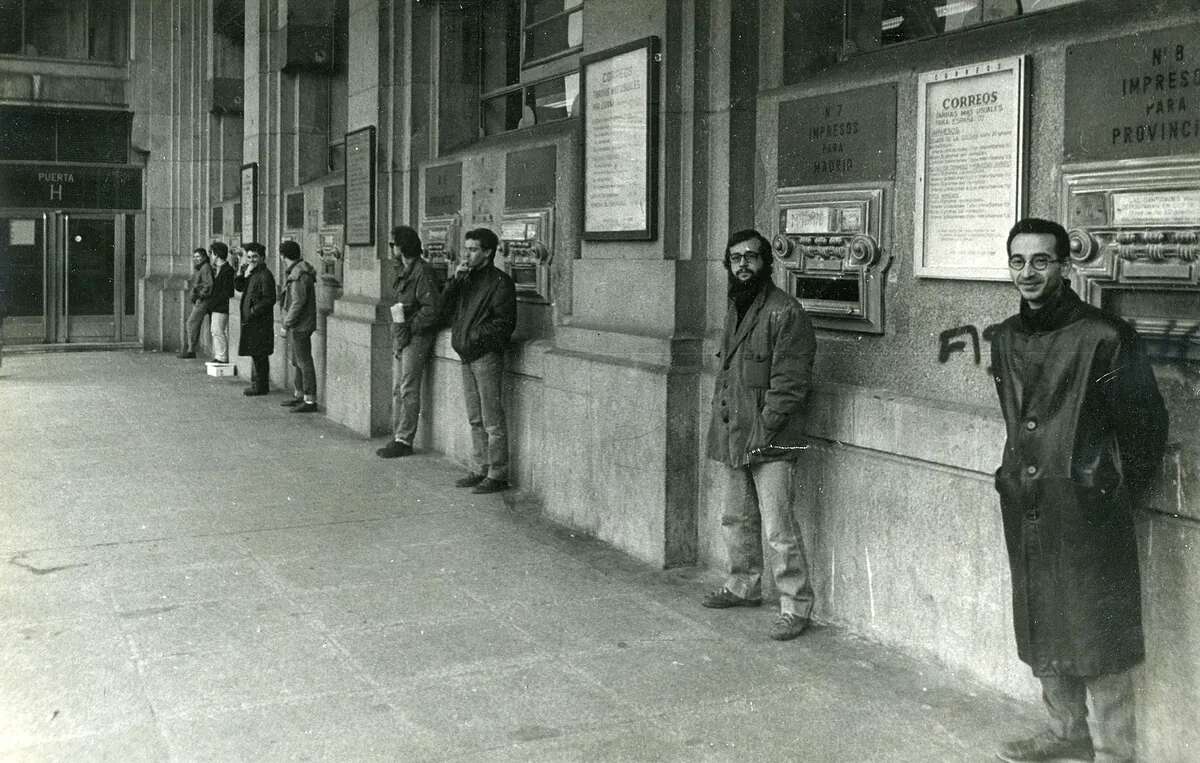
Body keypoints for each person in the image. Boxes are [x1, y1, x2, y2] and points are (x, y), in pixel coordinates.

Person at [991, 218, 1168, 763]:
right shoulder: (1003, 337)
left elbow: (1146, 426)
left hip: (1087, 506)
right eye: (1018, 261)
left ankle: (1115, 749)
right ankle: (1066, 732)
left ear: (1065, 267)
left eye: (1041, 261)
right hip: (1029, 505)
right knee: (1042, 618)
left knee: (1100, 631)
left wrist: (1108, 488)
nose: (1029, 273)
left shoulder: (1106, 337)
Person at [702, 228, 817, 642]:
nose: (743, 265)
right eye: (735, 259)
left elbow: (790, 384)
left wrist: (761, 432)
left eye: (751, 257)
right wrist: (735, 429)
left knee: (778, 527)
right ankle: (743, 584)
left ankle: (795, 606)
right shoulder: (736, 306)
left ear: (767, 263)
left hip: (773, 435)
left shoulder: (786, 312)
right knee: (736, 517)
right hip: (736, 431)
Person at [439, 227, 516, 493]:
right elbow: (443, 306)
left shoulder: (500, 282)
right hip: (466, 354)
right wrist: (454, 281)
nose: (467, 255)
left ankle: (497, 473)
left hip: (484, 355)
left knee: (492, 419)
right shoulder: (466, 279)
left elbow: (503, 324)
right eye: (466, 249)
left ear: (488, 253)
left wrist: (473, 339)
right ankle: (480, 467)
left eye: (473, 250)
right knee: (475, 417)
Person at [377, 225, 440, 458]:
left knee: (408, 388)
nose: (391, 248)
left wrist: (408, 328)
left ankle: (404, 439)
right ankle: (397, 435)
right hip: (403, 333)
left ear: (401, 246)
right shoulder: (405, 269)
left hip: (416, 335)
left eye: (393, 244)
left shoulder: (422, 272)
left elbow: (431, 309)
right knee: (398, 388)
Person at [278, 240, 319, 413]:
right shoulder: (300, 271)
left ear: (282, 256)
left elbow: (297, 302)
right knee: (298, 360)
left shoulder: (297, 275)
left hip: (300, 324)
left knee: (303, 361)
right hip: (302, 323)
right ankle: (300, 394)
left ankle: (309, 400)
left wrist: (286, 324)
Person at [233, 242, 276, 397]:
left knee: (260, 355)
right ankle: (257, 384)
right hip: (252, 321)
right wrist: (243, 272)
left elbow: (269, 299)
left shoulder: (265, 275)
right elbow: (238, 287)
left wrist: (252, 312)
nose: (251, 260)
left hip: (259, 322)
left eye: (255, 257)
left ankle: (261, 386)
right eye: (249, 257)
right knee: (256, 354)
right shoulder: (253, 273)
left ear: (262, 258)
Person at [178, 248, 213, 359]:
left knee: (191, 323)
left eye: (198, 256)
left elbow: (209, 284)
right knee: (193, 324)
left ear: (204, 257)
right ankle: (190, 349)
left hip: (203, 300)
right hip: (200, 299)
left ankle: (191, 350)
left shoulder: (205, 267)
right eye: (194, 257)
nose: (196, 259)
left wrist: (200, 296)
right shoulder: (202, 268)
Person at [208, 241, 235, 363]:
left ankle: (221, 357)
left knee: (218, 331)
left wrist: (214, 302)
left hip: (221, 306)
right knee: (215, 330)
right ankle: (219, 355)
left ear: (217, 255)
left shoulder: (227, 270)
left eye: (212, 254)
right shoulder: (218, 269)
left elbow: (226, 291)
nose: (211, 257)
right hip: (217, 306)